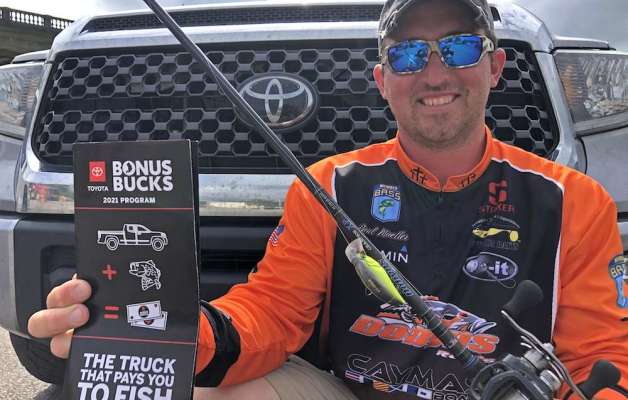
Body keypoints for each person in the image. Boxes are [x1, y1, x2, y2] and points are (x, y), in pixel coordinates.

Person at [28, 0, 628, 399]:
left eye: (461, 48)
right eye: (408, 54)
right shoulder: (328, 185)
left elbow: (603, 358)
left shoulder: (577, 200)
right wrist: (168, 334)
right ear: (383, 80)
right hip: (347, 391)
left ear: (495, 67)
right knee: (210, 387)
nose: (434, 73)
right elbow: (272, 312)